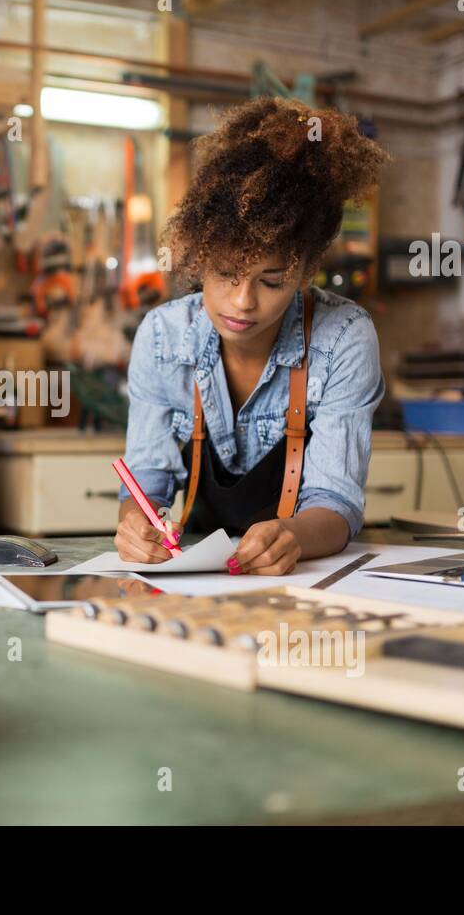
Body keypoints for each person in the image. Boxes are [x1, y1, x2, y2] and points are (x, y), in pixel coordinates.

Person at [114, 98, 390, 575]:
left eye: (272, 280)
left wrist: (294, 537)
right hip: (193, 583)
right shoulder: (162, 336)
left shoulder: (344, 338)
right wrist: (134, 523)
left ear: (306, 270)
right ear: (200, 259)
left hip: (302, 582)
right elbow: (146, 479)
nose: (242, 301)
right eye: (225, 274)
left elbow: (337, 502)